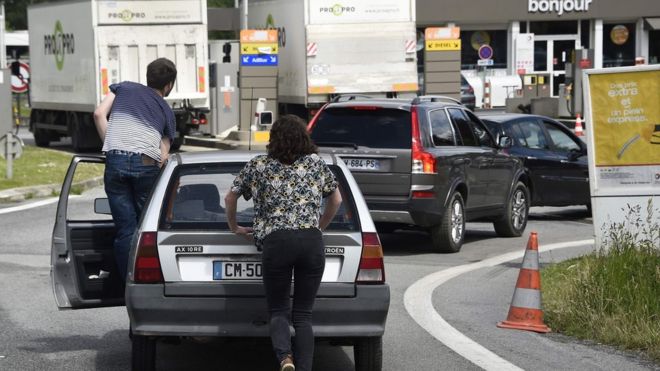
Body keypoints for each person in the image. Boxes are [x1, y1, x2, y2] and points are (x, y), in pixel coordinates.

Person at [225, 115, 342, 371]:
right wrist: (319, 226)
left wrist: (234, 227)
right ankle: (305, 367)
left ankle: (285, 358)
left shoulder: (259, 165)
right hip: (311, 242)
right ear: (304, 137)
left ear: (273, 138)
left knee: (278, 309)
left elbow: (230, 197)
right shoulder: (315, 164)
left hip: (276, 243)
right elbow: (336, 199)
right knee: (303, 315)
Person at [93, 57, 177, 281]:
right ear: (168, 85)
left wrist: (110, 146)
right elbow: (163, 155)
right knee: (147, 227)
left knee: (125, 230)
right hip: (145, 163)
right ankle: (147, 280)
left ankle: (126, 283)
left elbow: (99, 114)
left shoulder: (123, 88)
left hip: (115, 161)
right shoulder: (166, 112)